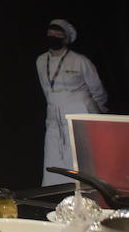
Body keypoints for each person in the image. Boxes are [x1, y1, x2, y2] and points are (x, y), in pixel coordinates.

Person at [38, 19, 108, 186]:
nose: (53, 37)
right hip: (55, 119)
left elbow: (97, 90)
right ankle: (54, 194)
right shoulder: (40, 61)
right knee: (54, 158)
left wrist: (99, 114)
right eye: (50, 34)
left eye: (58, 34)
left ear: (66, 39)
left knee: (80, 157)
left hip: (79, 115)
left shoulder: (80, 61)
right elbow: (46, 89)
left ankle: (86, 192)